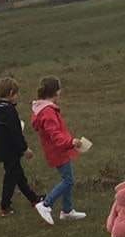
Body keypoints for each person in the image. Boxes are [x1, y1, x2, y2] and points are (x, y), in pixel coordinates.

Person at [31, 76, 90, 225]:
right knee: (68, 181)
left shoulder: (45, 109)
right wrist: (70, 142)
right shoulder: (48, 112)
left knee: (68, 178)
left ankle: (67, 211)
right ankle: (46, 204)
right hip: (58, 150)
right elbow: (55, 135)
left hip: (59, 149)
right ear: (56, 92)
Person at [0, 77, 43, 218]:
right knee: (11, 178)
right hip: (11, 150)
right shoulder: (9, 111)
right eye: (16, 94)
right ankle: (5, 206)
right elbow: (16, 133)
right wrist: (25, 149)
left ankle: (34, 199)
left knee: (19, 176)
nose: (17, 96)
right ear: (11, 93)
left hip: (1, 149)